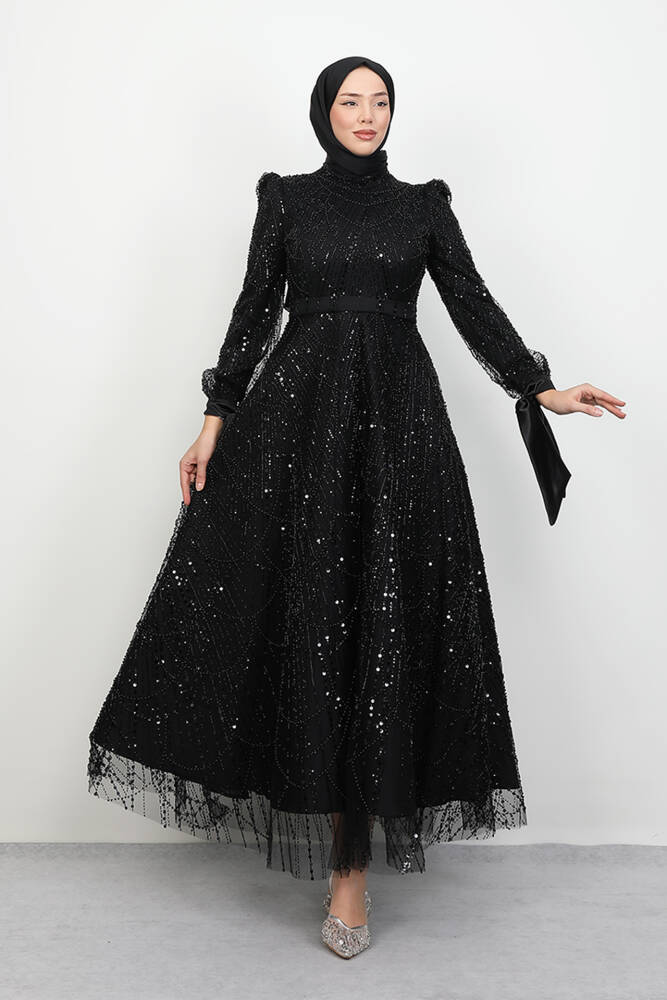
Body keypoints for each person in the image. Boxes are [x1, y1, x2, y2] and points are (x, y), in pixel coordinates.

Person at [87, 55, 626, 960]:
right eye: (350, 101)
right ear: (323, 112)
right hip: (298, 428)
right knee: (309, 628)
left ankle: (350, 881)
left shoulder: (423, 207)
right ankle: (331, 845)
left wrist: (539, 389)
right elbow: (254, 311)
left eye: (379, 101)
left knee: (379, 631)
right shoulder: (286, 199)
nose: (366, 114)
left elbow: (471, 302)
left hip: (399, 430)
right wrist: (214, 420)